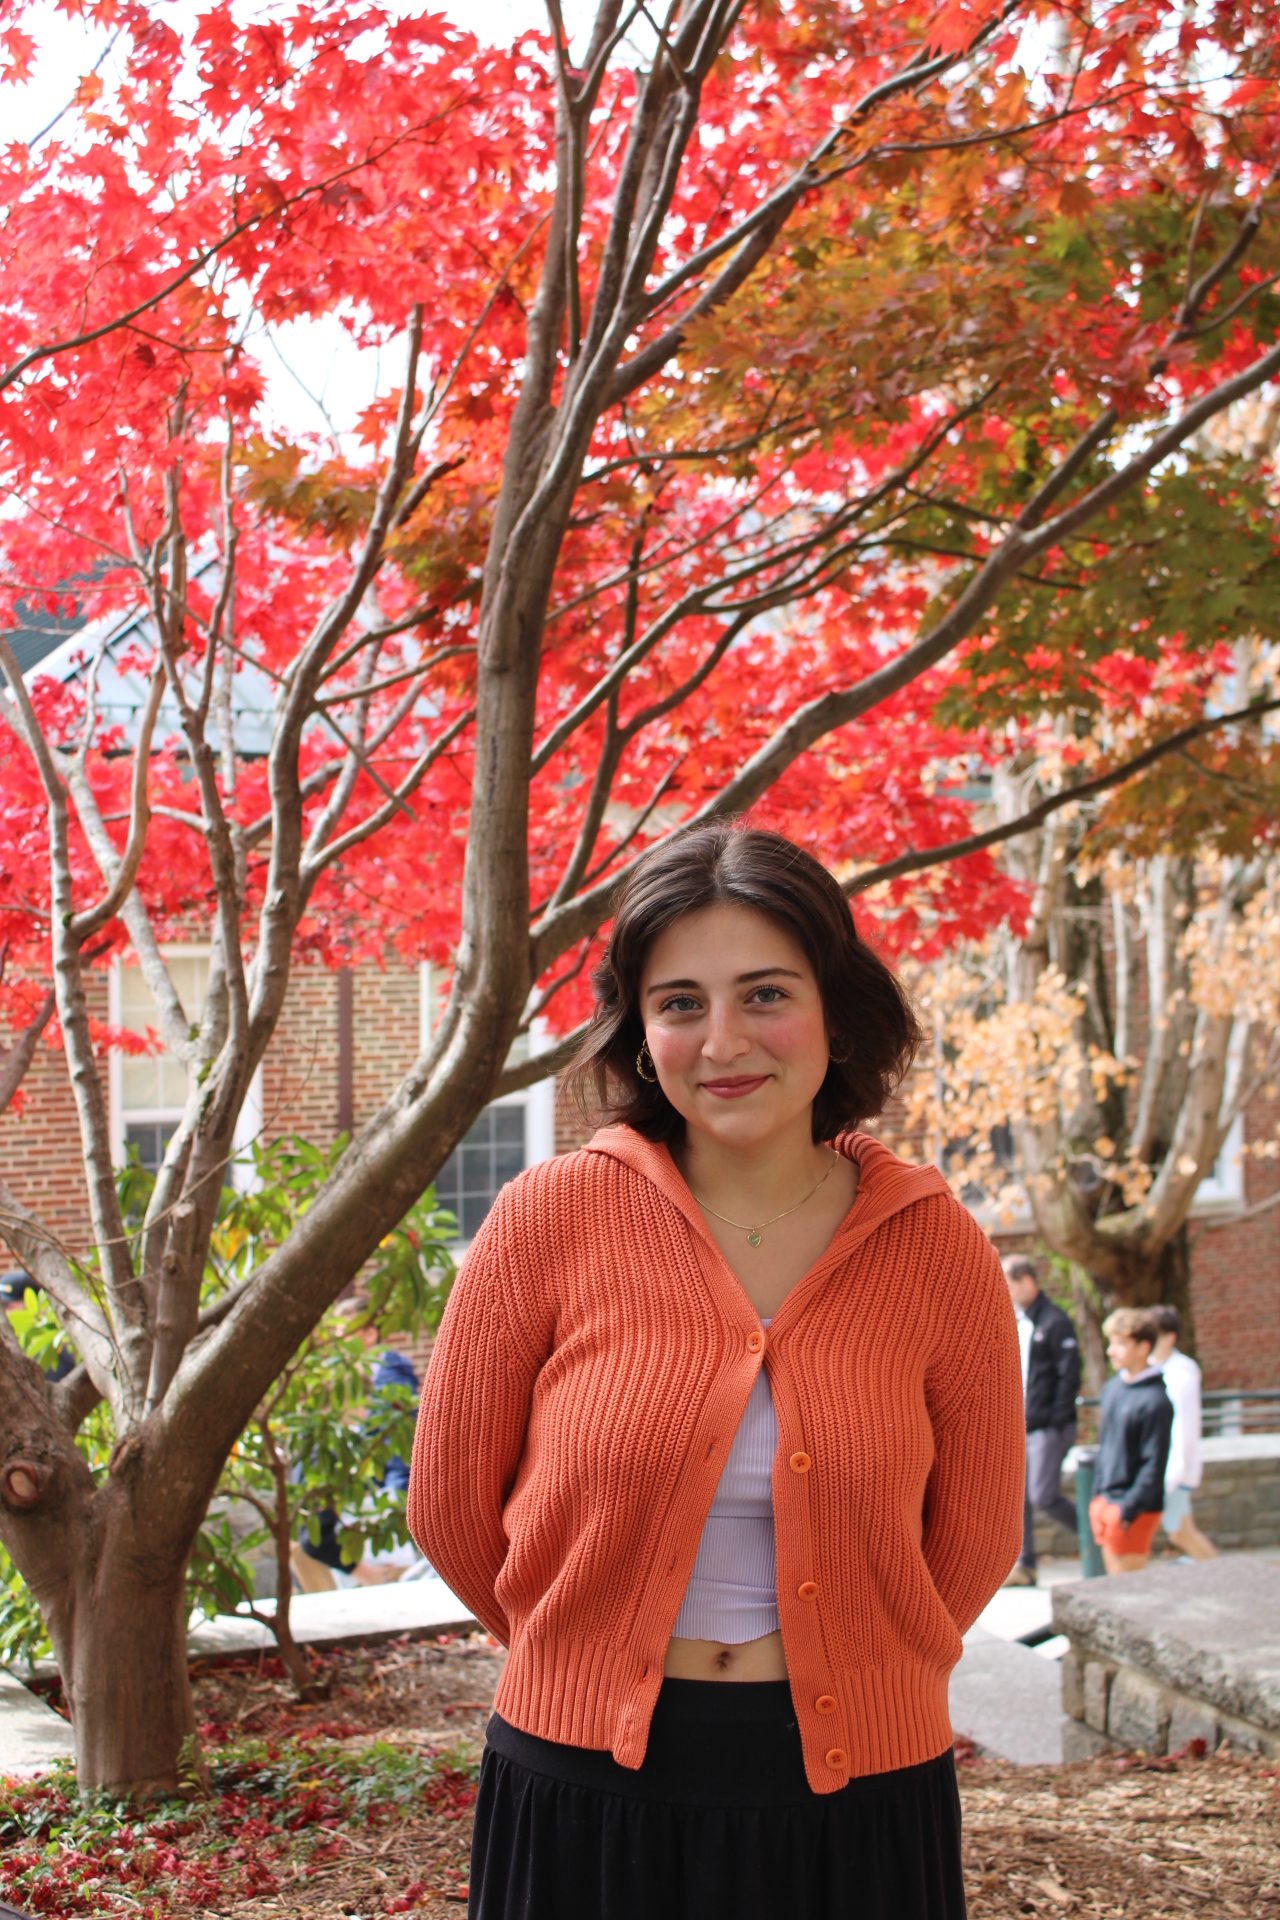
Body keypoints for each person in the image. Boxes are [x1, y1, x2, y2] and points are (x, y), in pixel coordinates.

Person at [409, 824, 1025, 1920]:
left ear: (835, 1012)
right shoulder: (549, 1218)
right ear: (640, 1033)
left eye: (764, 993)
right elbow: (451, 1506)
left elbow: (973, 1535)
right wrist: (579, 1651)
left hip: (858, 1802)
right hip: (582, 1793)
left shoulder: (933, 1244)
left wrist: (872, 1669)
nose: (722, 1038)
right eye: (680, 1001)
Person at [1001, 1255, 1081, 1587]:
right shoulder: (1021, 1322)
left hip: (1048, 1425)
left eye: (1008, 1284)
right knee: (1020, 1497)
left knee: (1043, 1495)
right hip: (1026, 1426)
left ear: (1026, 1282)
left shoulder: (1054, 1322)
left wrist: (1053, 1417)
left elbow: (1069, 1376)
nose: (1005, 1291)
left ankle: (1097, 1538)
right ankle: (1026, 1564)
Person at [1090, 1308, 1174, 1575]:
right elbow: (1106, 1447)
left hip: (1133, 1509)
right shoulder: (1113, 1389)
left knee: (1130, 1591)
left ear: (1143, 1347)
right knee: (1113, 1589)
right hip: (1108, 1501)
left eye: (1120, 1344)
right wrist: (1098, 1497)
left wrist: (1127, 1509)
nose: (1111, 1351)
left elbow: (1154, 1463)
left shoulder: (1156, 1401)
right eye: (1111, 1343)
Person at [1152, 1304, 1216, 1561]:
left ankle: (1224, 1574)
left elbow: (1184, 1425)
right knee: (1179, 1531)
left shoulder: (1182, 1372)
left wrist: (1175, 1472)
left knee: (1181, 1532)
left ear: (1170, 1337)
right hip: (1164, 1467)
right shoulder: (1154, 1369)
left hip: (1174, 1468)